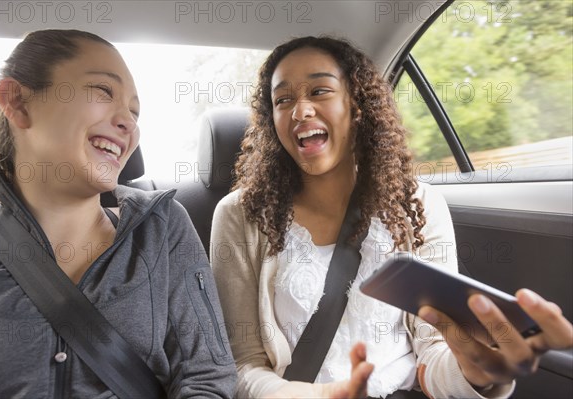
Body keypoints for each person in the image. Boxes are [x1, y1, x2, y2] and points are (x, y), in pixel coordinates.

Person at [210, 36, 573, 398]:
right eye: (283, 99)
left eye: (320, 91)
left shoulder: (418, 204)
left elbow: (433, 351)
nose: (300, 110)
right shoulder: (240, 215)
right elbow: (242, 365)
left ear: (356, 105)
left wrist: (472, 371)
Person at [0, 30, 236, 398]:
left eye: (134, 111)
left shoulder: (161, 228)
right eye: (103, 91)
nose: (129, 122)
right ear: (17, 102)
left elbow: (208, 376)